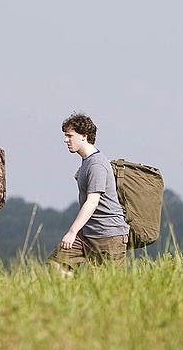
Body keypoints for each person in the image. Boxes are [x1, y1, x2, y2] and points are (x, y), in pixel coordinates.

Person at [48, 112, 130, 272]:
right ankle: (70, 297)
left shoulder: (96, 165)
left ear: (84, 136)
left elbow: (92, 202)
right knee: (57, 264)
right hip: (88, 233)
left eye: (69, 136)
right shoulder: (87, 162)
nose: (66, 140)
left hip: (109, 236)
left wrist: (72, 232)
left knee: (108, 288)